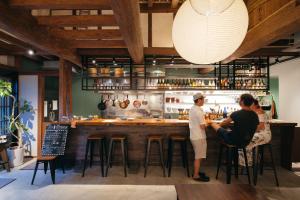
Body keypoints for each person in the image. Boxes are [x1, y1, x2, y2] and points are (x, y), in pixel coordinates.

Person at [239, 99, 272, 166]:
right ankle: (247, 161)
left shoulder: (260, 112)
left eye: (251, 105)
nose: (249, 106)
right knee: (243, 138)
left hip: (264, 134)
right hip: (258, 133)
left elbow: (261, 127)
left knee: (247, 140)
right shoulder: (254, 112)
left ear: (255, 105)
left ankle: (250, 161)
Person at [189, 93, 210, 182]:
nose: (204, 101)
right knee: (198, 156)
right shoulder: (198, 111)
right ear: (199, 100)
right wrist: (208, 123)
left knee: (199, 155)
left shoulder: (193, 109)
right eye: (203, 99)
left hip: (194, 135)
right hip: (199, 136)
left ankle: (196, 171)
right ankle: (196, 175)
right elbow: (202, 126)